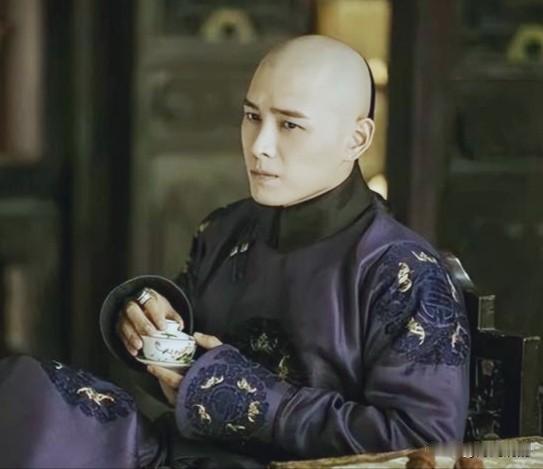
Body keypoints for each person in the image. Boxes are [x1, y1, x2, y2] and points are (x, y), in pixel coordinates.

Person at [0, 35, 469, 468]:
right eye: (251, 117)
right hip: (184, 453)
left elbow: (427, 444)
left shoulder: (403, 271)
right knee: (28, 393)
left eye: (289, 124)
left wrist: (256, 402)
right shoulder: (225, 229)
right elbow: (184, 368)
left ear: (357, 139)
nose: (260, 146)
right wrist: (144, 324)